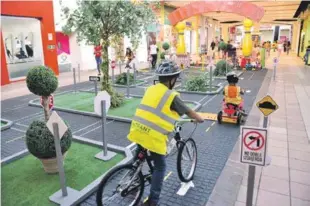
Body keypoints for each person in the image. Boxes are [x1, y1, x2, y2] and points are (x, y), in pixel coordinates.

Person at [127, 60, 204, 206]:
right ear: (173, 79)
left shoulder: (151, 89)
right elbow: (188, 111)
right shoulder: (171, 95)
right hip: (153, 136)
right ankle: (153, 201)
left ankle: (132, 179)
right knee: (160, 166)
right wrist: (199, 118)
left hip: (137, 129)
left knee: (139, 155)